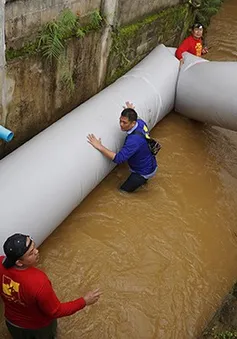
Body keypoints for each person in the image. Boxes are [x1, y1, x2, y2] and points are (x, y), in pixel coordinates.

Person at [0, 233, 101, 339]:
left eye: (34, 247)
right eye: (31, 253)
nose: (37, 251)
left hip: (12, 323)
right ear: (19, 262)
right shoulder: (39, 282)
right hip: (37, 329)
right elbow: (56, 311)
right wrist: (84, 301)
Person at [87, 102, 158, 193]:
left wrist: (99, 146)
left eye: (124, 122)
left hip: (142, 173)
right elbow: (137, 119)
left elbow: (119, 159)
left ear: (133, 123)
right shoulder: (140, 123)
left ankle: (141, 183)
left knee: (122, 192)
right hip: (150, 164)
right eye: (120, 120)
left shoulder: (133, 141)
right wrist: (131, 111)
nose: (121, 124)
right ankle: (142, 184)